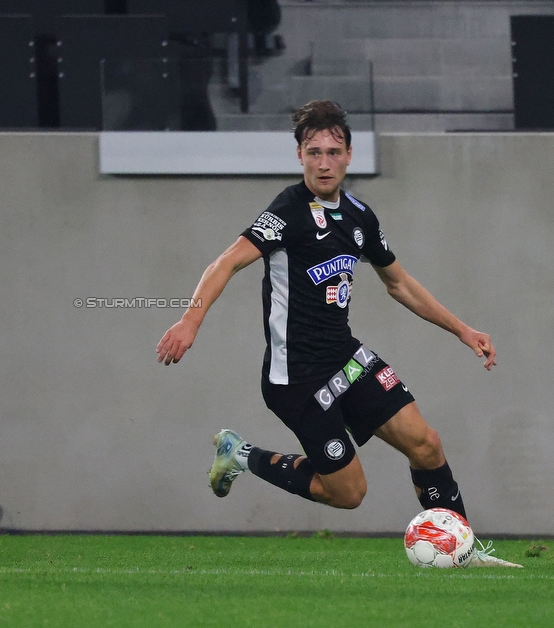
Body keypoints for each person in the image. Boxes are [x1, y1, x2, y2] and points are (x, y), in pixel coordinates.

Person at [156, 100, 519, 568]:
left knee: (426, 444)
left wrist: (462, 330)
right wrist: (190, 320)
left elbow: (400, 284)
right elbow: (225, 262)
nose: (323, 162)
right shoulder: (287, 212)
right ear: (299, 156)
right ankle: (240, 454)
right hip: (298, 377)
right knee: (348, 494)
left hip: (345, 358)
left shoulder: (360, 217)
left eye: (333, 151)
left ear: (349, 156)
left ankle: (462, 552)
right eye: (313, 152)